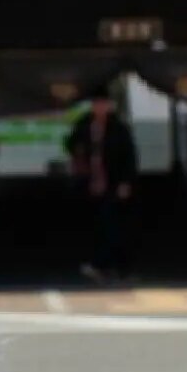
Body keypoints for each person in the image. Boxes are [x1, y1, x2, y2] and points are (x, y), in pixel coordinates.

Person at [64, 90, 138, 283]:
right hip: (90, 181)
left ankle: (111, 266)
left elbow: (129, 156)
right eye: (96, 104)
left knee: (112, 224)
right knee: (95, 225)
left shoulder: (119, 128)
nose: (100, 108)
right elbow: (70, 143)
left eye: (103, 104)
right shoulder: (84, 123)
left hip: (112, 181)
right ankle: (102, 265)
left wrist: (125, 182)